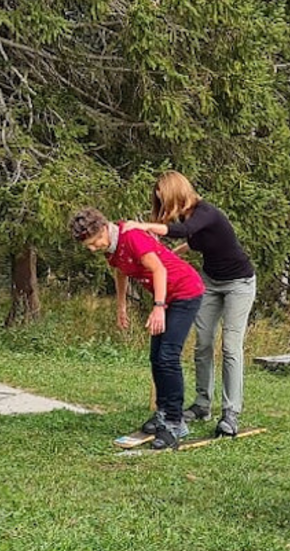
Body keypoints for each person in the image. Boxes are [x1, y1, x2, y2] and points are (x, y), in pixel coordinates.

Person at [122, 172, 257, 437]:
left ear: (176, 194)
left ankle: (231, 412)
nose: (162, 206)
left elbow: (185, 231)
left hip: (239, 283)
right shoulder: (188, 217)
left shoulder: (206, 212)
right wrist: (175, 253)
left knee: (230, 346)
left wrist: (144, 227)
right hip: (210, 282)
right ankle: (202, 405)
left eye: (164, 198)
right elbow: (194, 239)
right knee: (203, 343)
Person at [71, 207, 205, 450]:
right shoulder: (112, 247)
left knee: (168, 357)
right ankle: (163, 412)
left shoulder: (131, 236)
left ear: (103, 228)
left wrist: (159, 306)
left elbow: (159, 269)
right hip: (167, 297)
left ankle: (175, 423)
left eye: (94, 242)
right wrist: (121, 306)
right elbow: (121, 272)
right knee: (156, 358)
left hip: (185, 291)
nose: (93, 248)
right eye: (88, 246)